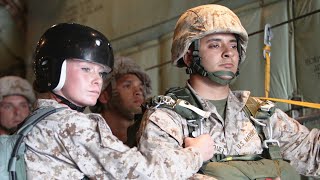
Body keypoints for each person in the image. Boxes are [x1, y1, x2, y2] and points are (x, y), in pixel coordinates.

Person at [138, 4, 320, 179]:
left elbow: (313, 155)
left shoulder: (261, 116)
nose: (228, 53)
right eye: (215, 45)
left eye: (233, 45)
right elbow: (154, 174)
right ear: (188, 55)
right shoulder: (166, 118)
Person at [24, 22, 214, 179]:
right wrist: (196, 153)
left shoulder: (36, 121)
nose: (97, 79)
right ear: (52, 69)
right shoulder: (69, 125)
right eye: (86, 69)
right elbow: (145, 175)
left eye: (100, 72)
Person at [90, 56, 152, 147]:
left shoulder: (148, 137)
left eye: (140, 87)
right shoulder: (90, 137)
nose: (138, 92)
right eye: (127, 86)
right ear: (104, 96)